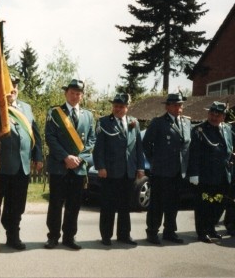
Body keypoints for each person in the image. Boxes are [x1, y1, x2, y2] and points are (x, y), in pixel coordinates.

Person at [0, 76, 43, 251]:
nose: (13, 88)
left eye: (15, 85)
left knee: (16, 205)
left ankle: (13, 236)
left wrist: (38, 156)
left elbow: (35, 134)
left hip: (22, 165)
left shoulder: (27, 108)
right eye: (9, 85)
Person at [44, 79, 96, 250]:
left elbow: (91, 140)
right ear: (66, 93)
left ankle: (69, 237)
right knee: (56, 204)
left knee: (74, 204)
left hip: (78, 168)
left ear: (82, 95)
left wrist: (78, 159)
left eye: (78, 93)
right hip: (60, 166)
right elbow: (50, 138)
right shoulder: (54, 112)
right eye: (72, 93)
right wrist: (66, 157)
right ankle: (53, 237)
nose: (75, 96)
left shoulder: (88, 115)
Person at [93, 93, 144, 246]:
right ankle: (106, 236)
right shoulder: (103, 122)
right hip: (110, 171)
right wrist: (100, 167)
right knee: (108, 205)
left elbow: (138, 148)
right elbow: (98, 148)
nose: (118, 109)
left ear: (127, 108)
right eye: (115, 106)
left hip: (128, 171)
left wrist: (140, 167)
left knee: (125, 206)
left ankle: (124, 235)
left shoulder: (134, 122)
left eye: (121, 106)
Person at [142, 93, 191, 245]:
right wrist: (155, 161)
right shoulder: (158, 122)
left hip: (178, 171)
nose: (178, 108)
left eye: (180, 105)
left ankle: (169, 232)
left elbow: (186, 146)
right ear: (167, 106)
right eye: (175, 105)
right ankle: (152, 232)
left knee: (173, 204)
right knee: (157, 204)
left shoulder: (186, 122)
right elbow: (146, 144)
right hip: (161, 171)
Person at [187, 101, 233, 243]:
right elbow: (194, 154)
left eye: (217, 115)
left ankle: (211, 228)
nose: (213, 117)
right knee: (204, 205)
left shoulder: (227, 129)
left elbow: (228, 148)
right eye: (211, 114)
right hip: (205, 176)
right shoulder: (199, 130)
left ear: (223, 117)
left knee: (219, 204)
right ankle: (202, 232)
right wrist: (194, 174)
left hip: (223, 175)